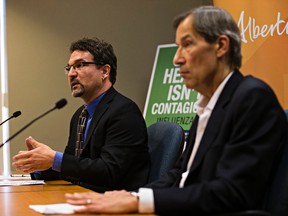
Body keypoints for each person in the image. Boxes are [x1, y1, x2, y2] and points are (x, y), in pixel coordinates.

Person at [64, 6, 288, 215]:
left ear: (221, 46)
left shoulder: (251, 97)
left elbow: (232, 192)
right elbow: (180, 174)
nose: (177, 58)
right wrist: (132, 196)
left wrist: (140, 202)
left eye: (187, 45)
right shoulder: (208, 106)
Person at [12, 37, 150, 192]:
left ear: (104, 71)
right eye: (69, 68)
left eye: (79, 65)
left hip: (115, 203)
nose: (71, 74)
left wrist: (55, 159)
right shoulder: (80, 115)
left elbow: (110, 172)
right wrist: (39, 165)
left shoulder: (124, 111)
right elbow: (76, 167)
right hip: (84, 196)